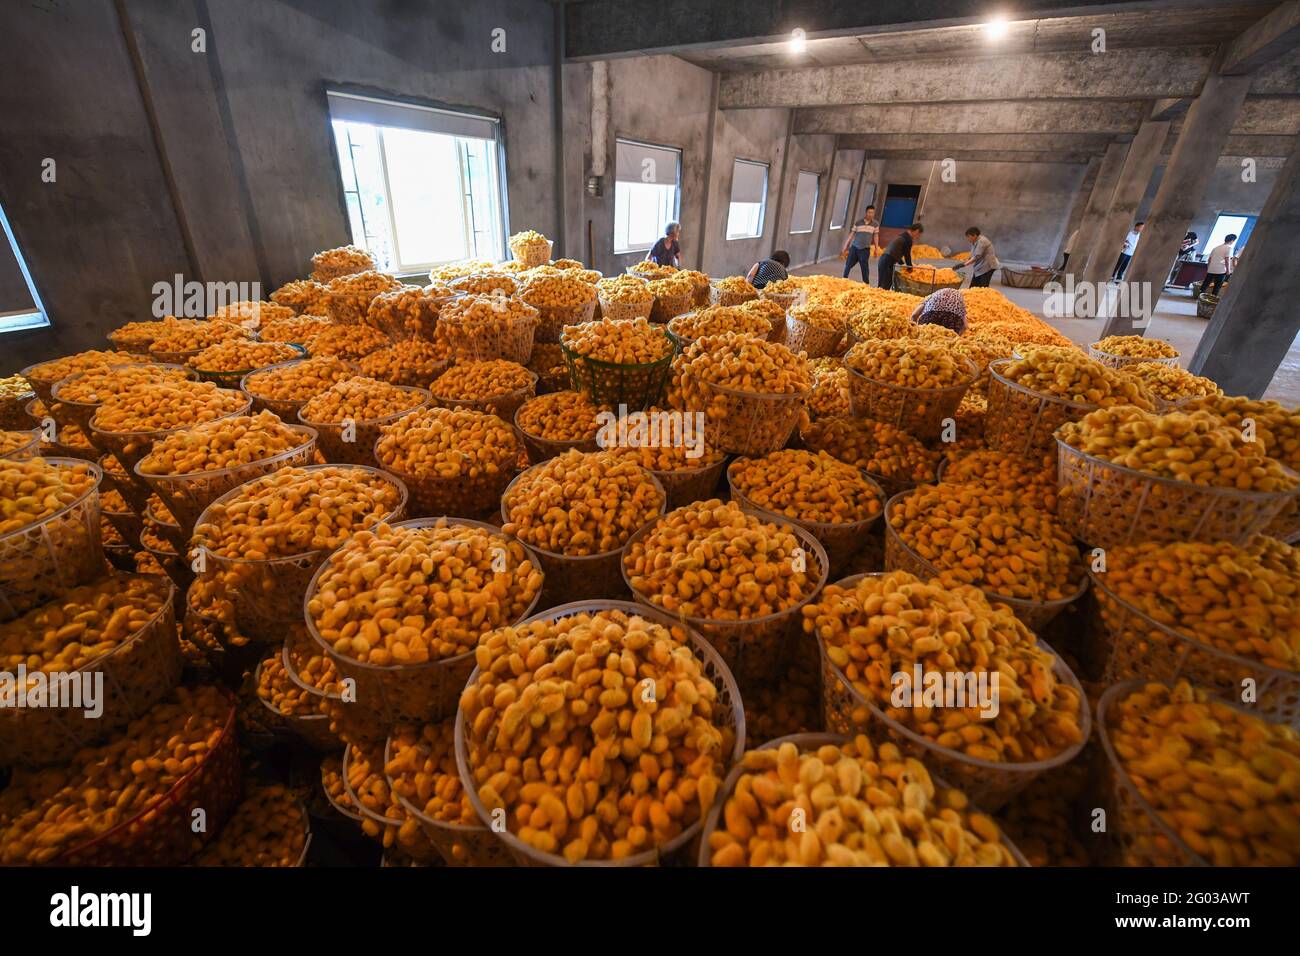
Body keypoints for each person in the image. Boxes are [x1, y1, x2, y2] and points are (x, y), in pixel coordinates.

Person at [878, 223, 923, 290]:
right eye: (919, 234)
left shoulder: (902, 236)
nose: (918, 237)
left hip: (883, 260)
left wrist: (903, 265)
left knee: (882, 284)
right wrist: (909, 268)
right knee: (886, 284)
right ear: (916, 231)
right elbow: (907, 255)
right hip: (887, 261)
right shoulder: (908, 239)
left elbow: (897, 252)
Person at [840, 205, 879, 282]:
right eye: (869, 212)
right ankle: (843, 280)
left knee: (864, 267)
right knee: (848, 264)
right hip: (855, 247)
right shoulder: (858, 223)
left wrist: (876, 249)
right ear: (866, 212)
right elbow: (851, 234)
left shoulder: (875, 224)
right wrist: (845, 245)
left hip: (865, 249)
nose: (870, 214)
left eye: (872, 213)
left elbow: (876, 236)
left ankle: (866, 283)